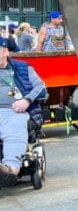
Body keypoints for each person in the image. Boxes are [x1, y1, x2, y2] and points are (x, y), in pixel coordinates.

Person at [0, 38, 46, 186]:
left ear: (5, 52)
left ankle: (10, 170)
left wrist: (27, 100)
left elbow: (41, 88)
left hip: (15, 111)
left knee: (14, 129)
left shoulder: (23, 68)